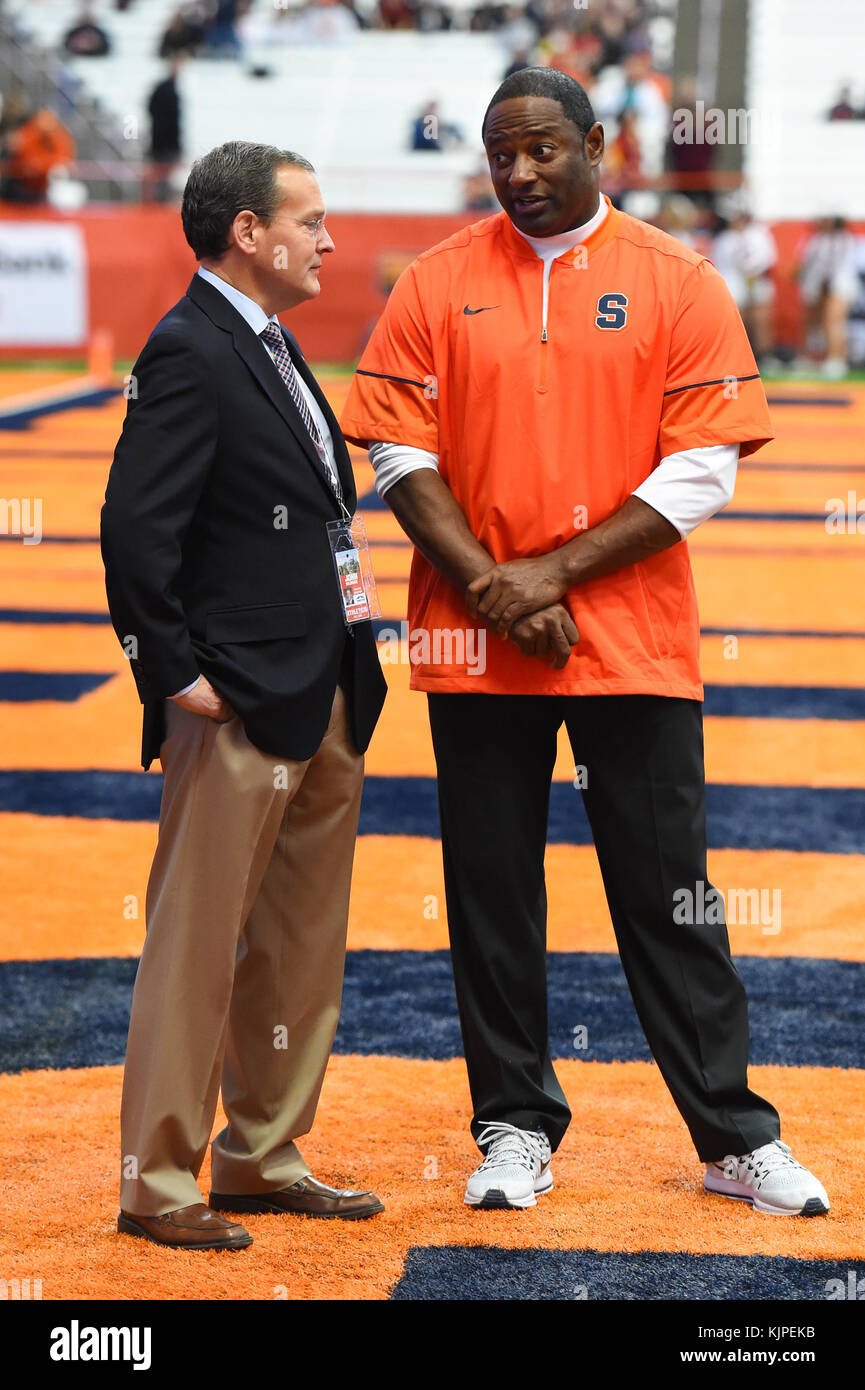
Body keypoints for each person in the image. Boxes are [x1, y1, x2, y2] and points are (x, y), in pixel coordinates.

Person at [340, 68, 830, 1219]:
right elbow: (398, 456)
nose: (520, 171)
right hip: (473, 638)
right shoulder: (435, 279)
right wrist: (495, 589)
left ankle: (730, 1131)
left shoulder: (678, 278)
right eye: (501, 151)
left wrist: (548, 575)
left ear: (599, 145)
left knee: (671, 892)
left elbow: (703, 463)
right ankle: (512, 1124)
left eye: (544, 148)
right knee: (490, 888)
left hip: (633, 639)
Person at [101, 140, 387, 1251]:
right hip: (234, 698)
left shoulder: (261, 343)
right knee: (195, 940)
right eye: (309, 220)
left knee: (298, 941)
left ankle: (260, 1152)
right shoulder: (189, 348)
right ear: (246, 235)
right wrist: (171, 671)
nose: (330, 240)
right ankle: (157, 1183)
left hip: (319, 690)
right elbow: (135, 530)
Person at [796, 216, 859, 379]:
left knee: (834, 322)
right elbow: (806, 264)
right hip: (818, 286)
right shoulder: (816, 240)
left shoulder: (844, 239)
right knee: (813, 324)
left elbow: (838, 265)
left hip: (840, 286)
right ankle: (811, 358)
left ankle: (837, 359)